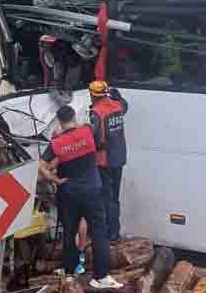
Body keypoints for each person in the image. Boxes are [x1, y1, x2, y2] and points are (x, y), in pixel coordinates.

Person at [39, 105, 122, 290]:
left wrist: (54, 179)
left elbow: (42, 166)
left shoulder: (56, 143)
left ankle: (69, 272)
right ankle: (101, 276)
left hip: (68, 193)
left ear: (59, 121)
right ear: (73, 117)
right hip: (92, 191)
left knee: (69, 233)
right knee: (100, 232)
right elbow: (93, 128)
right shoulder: (87, 131)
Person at [88, 80, 128, 243]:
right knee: (115, 197)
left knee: (106, 198)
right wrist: (119, 96)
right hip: (119, 157)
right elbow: (125, 105)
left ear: (92, 95)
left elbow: (93, 136)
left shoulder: (96, 113)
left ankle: (111, 233)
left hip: (104, 160)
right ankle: (114, 231)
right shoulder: (117, 106)